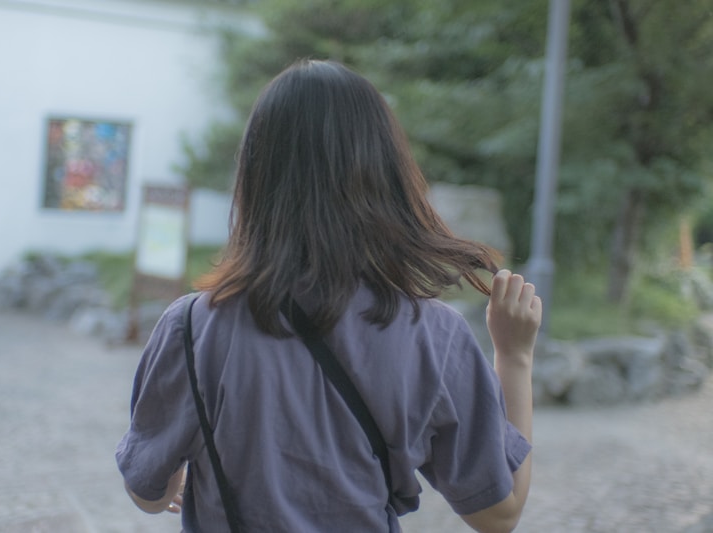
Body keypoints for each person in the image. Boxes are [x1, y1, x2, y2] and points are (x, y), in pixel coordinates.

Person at [116, 59, 541, 533]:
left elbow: (148, 493)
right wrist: (514, 355)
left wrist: (186, 472)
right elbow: (499, 513)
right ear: (385, 174)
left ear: (256, 177)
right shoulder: (432, 335)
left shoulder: (193, 328)